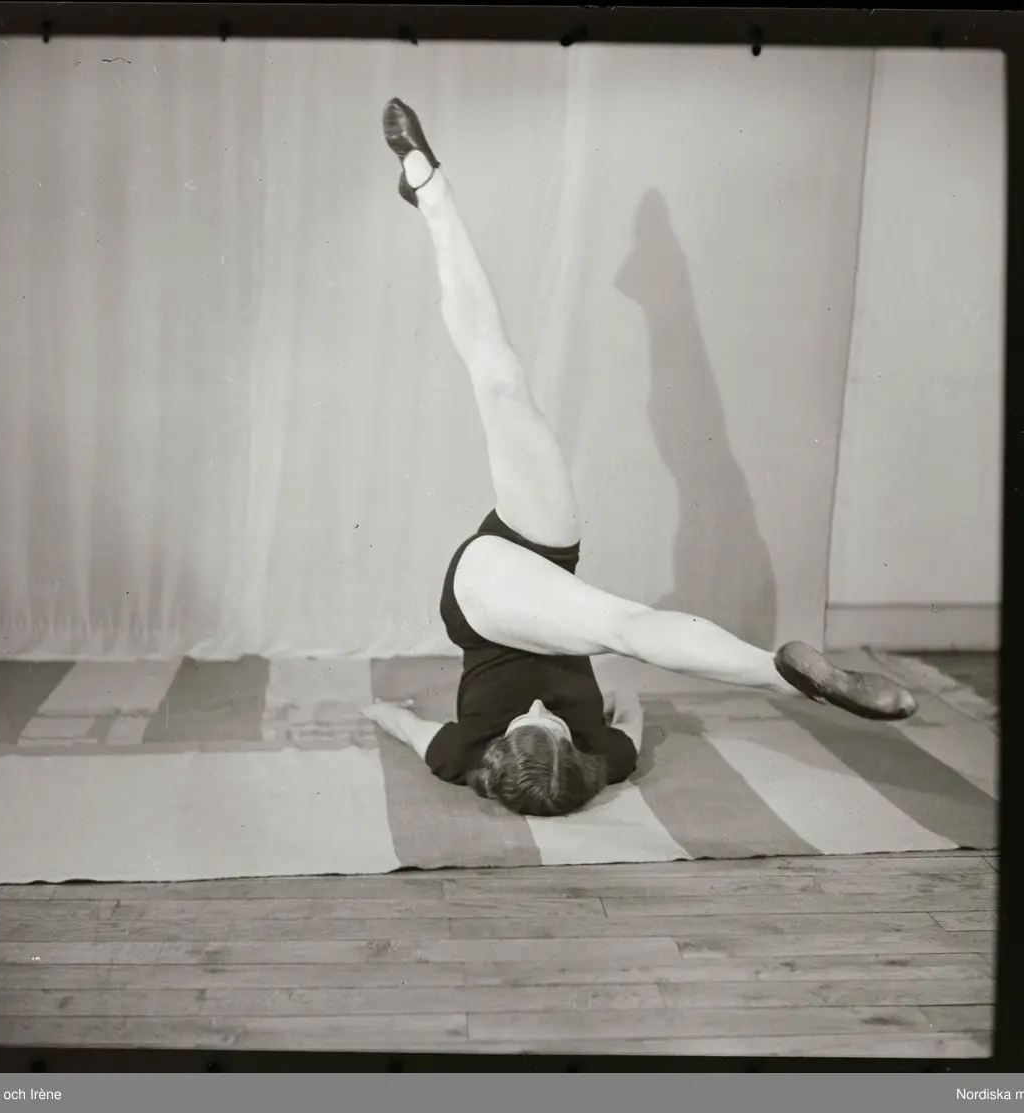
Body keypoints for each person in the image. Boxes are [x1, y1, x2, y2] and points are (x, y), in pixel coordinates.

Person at [361, 98, 918, 818]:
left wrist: (382, 711)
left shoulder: (461, 754)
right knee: (505, 386)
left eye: (525, 720)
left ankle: (430, 192)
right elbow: (632, 717)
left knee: (620, 622)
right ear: (578, 752)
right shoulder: (608, 757)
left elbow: (405, 729)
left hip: (486, 596)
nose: (540, 704)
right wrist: (616, 710)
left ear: (497, 752)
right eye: (556, 723)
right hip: (548, 562)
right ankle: (793, 674)